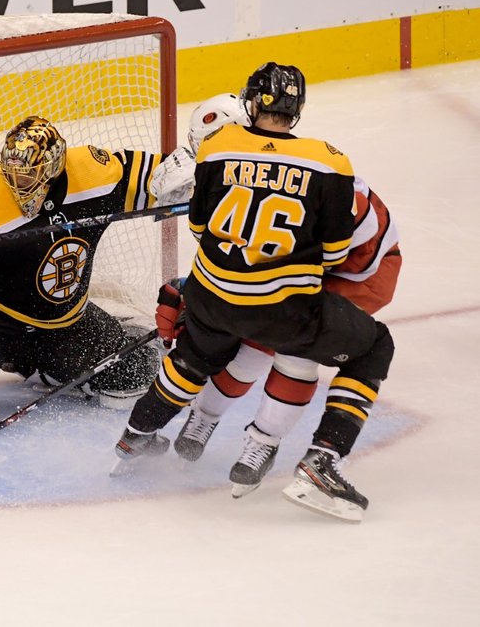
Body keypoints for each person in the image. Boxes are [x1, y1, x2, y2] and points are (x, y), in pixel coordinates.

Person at [111, 63, 395, 523]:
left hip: (365, 266)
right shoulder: (330, 160)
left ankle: (151, 434)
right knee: (367, 345)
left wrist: (196, 287)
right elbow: (327, 248)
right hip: (283, 298)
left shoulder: (219, 147)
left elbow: (204, 229)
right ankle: (320, 461)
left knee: (208, 349)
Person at [0, 115, 178, 409]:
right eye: (12, 173)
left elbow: (163, 176)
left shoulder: (93, 174)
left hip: (62, 325)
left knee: (132, 377)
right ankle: (29, 361)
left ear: (52, 167)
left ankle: (40, 363)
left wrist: (210, 181)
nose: (18, 183)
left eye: (27, 175)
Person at [172, 170, 402, 500]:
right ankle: (204, 418)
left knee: (295, 342)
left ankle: (266, 445)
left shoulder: (320, 198)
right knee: (260, 332)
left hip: (360, 274)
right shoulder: (275, 176)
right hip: (316, 258)